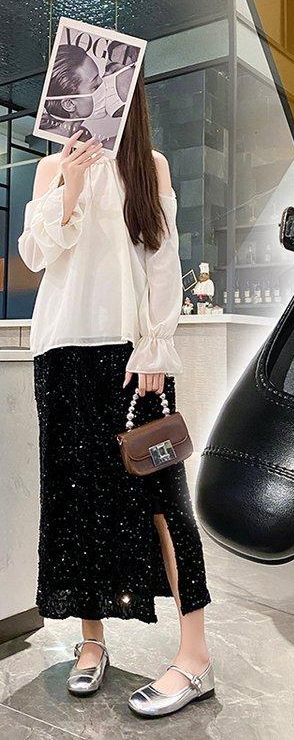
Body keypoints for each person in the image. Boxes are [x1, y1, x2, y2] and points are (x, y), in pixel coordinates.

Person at [18, 71, 214, 718]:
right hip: (61, 354)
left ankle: (195, 656)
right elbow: (36, 256)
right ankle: (91, 640)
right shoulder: (52, 170)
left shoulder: (147, 165)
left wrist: (156, 344)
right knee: (76, 502)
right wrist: (70, 188)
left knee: (164, 502)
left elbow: (162, 260)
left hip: (133, 360)